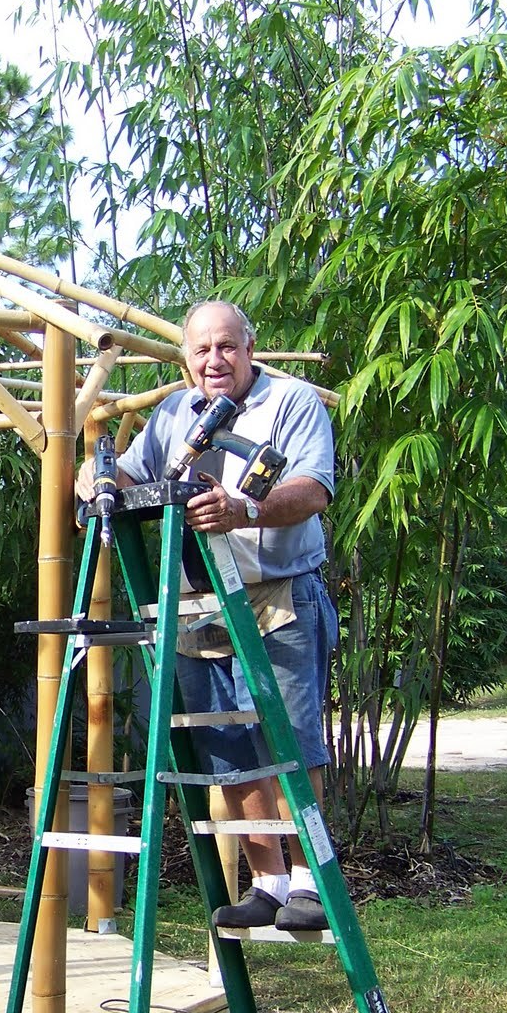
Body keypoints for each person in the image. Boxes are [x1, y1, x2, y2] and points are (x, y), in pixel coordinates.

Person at [78, 300, 338, 930]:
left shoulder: (293, 403)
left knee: (291, 744)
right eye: (201, 350)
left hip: (277, 595)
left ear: (250, 348)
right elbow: (124, 471)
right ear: (188, 359)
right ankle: (268, 883)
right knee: (226, 747)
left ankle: (311, 884)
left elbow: (314, 489)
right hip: (199, 600)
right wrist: (95, 481)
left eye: (226, 347)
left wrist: (245, 509)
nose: (214, 361)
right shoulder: (173, 414)